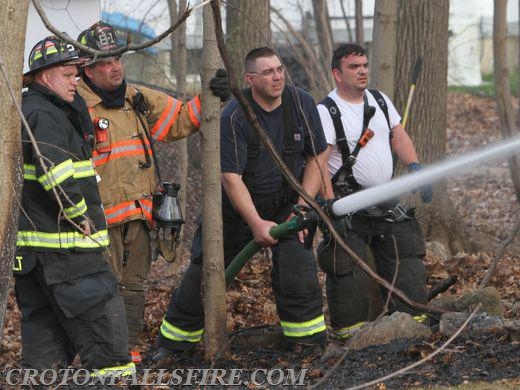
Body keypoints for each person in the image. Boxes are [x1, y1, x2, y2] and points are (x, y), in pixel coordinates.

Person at [155, 47, 330, 358]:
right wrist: (256, 224)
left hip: (289, 207)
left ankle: (307, 343)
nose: (277, 77)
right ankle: (174, 344)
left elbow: (317, 156)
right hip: (235, 213)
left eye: (280, 69)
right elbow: (231, 178)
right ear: (250, 79)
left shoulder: (300, 102)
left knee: (298, 268)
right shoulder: (234, 115)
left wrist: (303, 209)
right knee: (205, 271)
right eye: (268, 72)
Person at [75, 21, 229, 343]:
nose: (115, 66)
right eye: (106, 62)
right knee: (101, 288)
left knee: (133, 289)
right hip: (97, 222)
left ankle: (127, 354)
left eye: (117, 58)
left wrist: (211, 96)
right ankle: (104, 354)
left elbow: (178, 120)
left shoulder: (136, 98)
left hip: (139, 217)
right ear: (87, 70)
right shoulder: (75, 108)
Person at [15, 36, 134, 376]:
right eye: (68, 74)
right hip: (67, 250)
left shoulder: (33, 110)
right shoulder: (45, 113)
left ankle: (41, 381)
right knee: (104, 330)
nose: (76, 81)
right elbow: (56, 171)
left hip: (37, 253)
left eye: (77, 74)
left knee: (44, 330)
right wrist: (79, 214)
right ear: (45, 77)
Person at [316, 43, 433, 340]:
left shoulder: (380, 100)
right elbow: (318, 162)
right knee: (347, 267)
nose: (363, 71)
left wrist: (416, 167)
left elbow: (398, 136)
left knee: (406, 251)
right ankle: (351, 335)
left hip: (385, 199)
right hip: (347, 204)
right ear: (337, 74)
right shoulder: (326, 111)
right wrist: (329, 205)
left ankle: (411, 325)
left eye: (365, 65)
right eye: (354, 67)